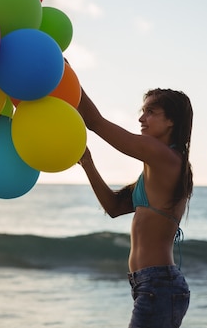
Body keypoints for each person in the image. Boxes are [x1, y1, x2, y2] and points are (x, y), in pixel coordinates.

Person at [77, 87, 193, 328]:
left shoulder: (168, 158)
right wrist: (87, 162)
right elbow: (114, 207)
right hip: (149, 285)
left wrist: (66, 75)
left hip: (159, 285)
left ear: (171, 121)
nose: (141, 118)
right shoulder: (153, 171)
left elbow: (95, 122)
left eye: (150, 112)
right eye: (143, 111)